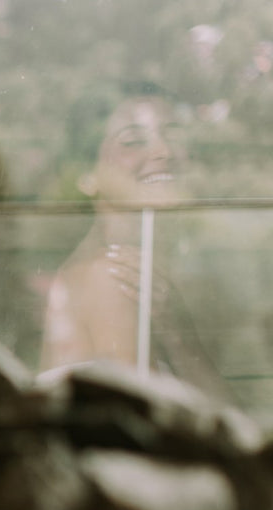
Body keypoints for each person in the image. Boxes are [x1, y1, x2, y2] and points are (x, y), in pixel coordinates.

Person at [39, 82, 230, 398]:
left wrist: (177, 334)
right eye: (133, 141)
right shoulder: (114, 276)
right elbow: (153, 432)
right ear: (88, 174)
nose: (163, 152)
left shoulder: (138, 275)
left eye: (171, 135)